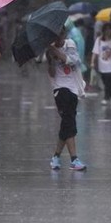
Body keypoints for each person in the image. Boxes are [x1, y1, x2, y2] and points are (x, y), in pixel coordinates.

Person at [46, 28, 87, 172]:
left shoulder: (70, 44)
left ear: (64, 35)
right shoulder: (49, 50)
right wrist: (50, 59)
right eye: (55, 36)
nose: (58, 39)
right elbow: (51, 73)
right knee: (69, 121)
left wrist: (54, 50)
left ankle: (56, 157)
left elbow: (72, 61)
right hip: (60, 89)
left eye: (60, 35)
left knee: (67, 123)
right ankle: (73, 159)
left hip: (73, 88)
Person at [91, 22, 111, 105]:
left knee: (109, 81)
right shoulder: (99, 40)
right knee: (106, 81)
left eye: (110, 30)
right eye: (106, 30)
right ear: (103, 30)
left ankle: (106, 97)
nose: (108, 31)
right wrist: (92, 62)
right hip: (102, 66)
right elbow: (95, 52)